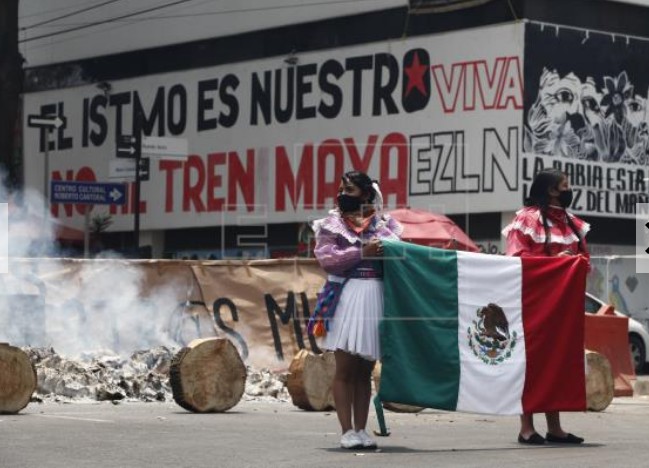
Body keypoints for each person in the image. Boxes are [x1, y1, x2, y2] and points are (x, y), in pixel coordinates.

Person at [311, 171, 402, 450]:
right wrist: (362, 253)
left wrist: (389, 254)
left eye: (348, 189)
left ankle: (362, 429)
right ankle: (346, 430)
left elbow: (400, 258)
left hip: (375, 296)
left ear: (365, 193)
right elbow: (327, 260)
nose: (341, 193)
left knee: (365, 371)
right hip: (347, 298)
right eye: (340, 188)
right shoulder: (331, 225)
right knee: (345, 369)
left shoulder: (384, 225)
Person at [502, 168, 590, 445]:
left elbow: (585, 261)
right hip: (534, 304)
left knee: (559, 362)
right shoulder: (526, 219)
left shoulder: (573, 222)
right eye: (565, 185)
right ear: (552, 189)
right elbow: (517, 259)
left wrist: (575, 263)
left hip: (565, 308)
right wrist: (557, 262)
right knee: (533, 362)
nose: (569, 189)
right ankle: (526, 427)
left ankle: (555, 427)